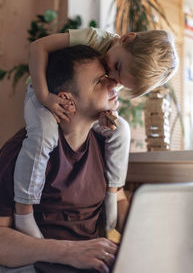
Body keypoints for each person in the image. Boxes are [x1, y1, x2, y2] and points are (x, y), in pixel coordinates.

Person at [14, 27, 178, 238]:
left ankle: (112, 191)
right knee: (45, 133)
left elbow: (102, 100)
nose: (112, 77)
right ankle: (24, 211)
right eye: (114, 69)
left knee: (122, 129)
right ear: (127, 39)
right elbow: (38, 47)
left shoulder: (120, 69)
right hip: (41, 91)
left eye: (119, 82)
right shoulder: (95, 38)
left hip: (74, 105)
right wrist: (44, 95)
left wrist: (106, 115)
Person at [0, 45, 129, 273]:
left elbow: (118, 199)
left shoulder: (105, 145)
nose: (114, 83)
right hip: (37, 266)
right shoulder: (20, 152)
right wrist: (68, 252)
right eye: (100, 81)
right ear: (67, 100)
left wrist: (144, 239)